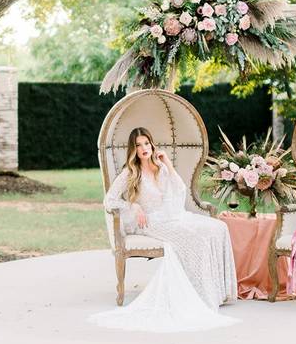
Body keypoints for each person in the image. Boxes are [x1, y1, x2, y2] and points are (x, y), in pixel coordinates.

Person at [88, 127, 240, 332]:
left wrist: (167, 162)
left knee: (219, 227)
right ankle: (199, 294)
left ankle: (221, 291)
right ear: (133, 149)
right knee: (195, 239)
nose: (143, 148)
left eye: (146, 143)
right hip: (151, 222)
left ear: (152, 144)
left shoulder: (161, 166)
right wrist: (134, 205)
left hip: (172, 215)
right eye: (138, 145)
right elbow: (109, 200)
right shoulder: (131, 172)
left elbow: (180, 190)